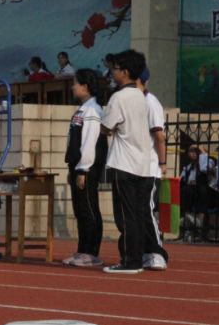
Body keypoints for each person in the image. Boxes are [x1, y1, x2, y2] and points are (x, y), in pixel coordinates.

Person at [101, 49, 154, 274]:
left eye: (115, 69)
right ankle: (138, 257)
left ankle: (130, 261)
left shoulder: (119, 97)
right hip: (143, 163)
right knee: (139, 214)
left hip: (124, 164)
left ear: (124, 72)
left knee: (126, 216)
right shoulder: (141, 96)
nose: (112, 73)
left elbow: (106, 127)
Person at [62, 69, 107, 267]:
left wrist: (83, 169)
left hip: (86, 168)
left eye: (75, 83)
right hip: (78, 167)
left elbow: (89, 142)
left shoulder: (93, 111)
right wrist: (72, 167)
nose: (73, 87)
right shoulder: (82, 110)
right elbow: (74, 141)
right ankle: (82, 250)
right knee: (80, 210)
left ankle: (91, 252)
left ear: (86, 86)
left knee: (88, 208)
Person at [136, 68, 169, 270]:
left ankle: (157, 252)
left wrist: (163, 163)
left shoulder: (150, 103)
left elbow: (159, 136)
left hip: (149, 168)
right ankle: (146, 251)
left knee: (147, 209)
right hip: (135, 167)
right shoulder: (133, 103)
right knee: (138, 212)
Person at [179, 142, 213, 242]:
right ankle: (186, 230)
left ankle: (200, 230)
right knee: (184, 191)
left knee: (201, 190)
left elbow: (204, 169)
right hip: (190, 194)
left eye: (197, 151)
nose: (194, 153)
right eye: (191, 151)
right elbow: (181, 179)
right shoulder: (188, 167)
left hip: (204, 193)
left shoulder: (209, 161)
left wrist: (202, 151)